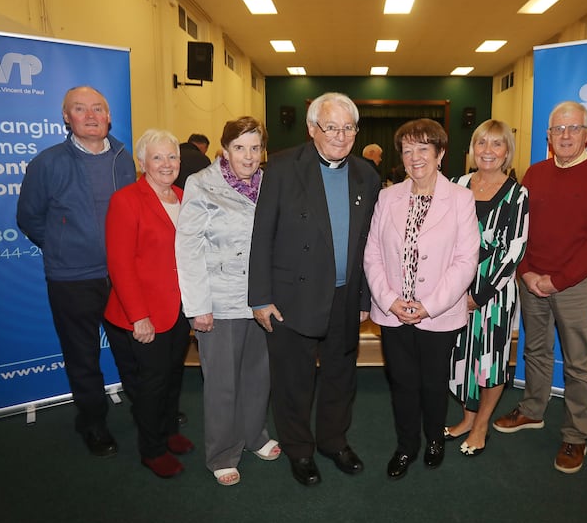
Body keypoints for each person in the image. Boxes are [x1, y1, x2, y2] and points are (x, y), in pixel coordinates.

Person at [248, 92, 381, 486]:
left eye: (348, 127)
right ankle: (299, 449)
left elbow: (367, 245)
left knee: (342, 376)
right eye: (331, 127)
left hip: (344, 297)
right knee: (294, 381)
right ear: (311, 129)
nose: (340, 136)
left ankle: (333, 441)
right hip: (291, 296)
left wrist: (362, 297)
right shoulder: (284, 168)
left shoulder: (367, 175)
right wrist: (260, 297)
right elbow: (262, 236)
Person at [492, 101, 587, 474]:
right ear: (548, 136)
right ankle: (533, 410)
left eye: (573, 128)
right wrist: (528, 272)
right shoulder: (535, 173)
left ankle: (576, 435)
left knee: (579, 363)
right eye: (558, 130)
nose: (565, 136)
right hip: (532, 279)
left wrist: (558, 280)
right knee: (535, 351)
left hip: (575, 284)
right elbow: (522, 230)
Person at [17, 85, 136, 457]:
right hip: (72, 278)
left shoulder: (123, 158)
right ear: (66, 117)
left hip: (121, 276)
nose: (90, 115)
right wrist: (62, 245)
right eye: (80, 109)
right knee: (82, 355)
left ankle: (148, 407)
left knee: (132, 348)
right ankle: (93, 421)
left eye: (97, 108)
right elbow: (29, 218)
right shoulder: (47, 162)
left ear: (108, 117)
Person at [363, 118, 479, 480]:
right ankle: (406, 445)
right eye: (407, 150)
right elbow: (373, 255)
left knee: (432, 382)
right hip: (393, 311)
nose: (415, 158)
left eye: (423, 149)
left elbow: (465, 260)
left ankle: (433, 440)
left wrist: (429, 305)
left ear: (440, 154)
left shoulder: (461, 198)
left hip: (438, 314)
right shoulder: (387, 196)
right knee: (401, 382)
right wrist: (389, 300)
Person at [175, 117, 281, 487]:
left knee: (258, 376)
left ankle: (254, 436)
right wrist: (197, 305)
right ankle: (222, 453)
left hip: (261, 300)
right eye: (239, 147)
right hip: (218, 301)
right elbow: (187, 249)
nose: (248, 156)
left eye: (255, 148)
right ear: (224, 149)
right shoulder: (201, 184)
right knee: (222, 382)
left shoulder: (270, 183)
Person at [103, 129, 193, 478]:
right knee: (151, 383)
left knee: (172, 376)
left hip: (179, 309)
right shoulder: (127, 200)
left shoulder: (185, 197)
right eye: (157, 157)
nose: (166, 164)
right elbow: (120, 264)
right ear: (142, 163)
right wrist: (138, 316)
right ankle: (152, 449)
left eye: (172, 157)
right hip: (141, 314)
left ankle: (169, 431)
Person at [444, 119, 529, 457]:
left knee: (489, 361)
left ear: (507, 151)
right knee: (463, 358)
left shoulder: (517, 194)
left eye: (497, 144)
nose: (488, 151)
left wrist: (478, 296)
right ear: (472, 149)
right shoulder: (456, 184)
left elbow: (515, 249)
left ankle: (481, 427)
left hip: (492, 294)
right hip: (454, 291)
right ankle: (467, 418)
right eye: (482, 143)